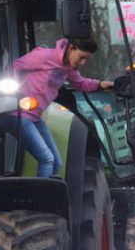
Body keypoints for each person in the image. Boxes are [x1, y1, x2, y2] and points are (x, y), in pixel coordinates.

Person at [11, 37, 112, 178]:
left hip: (35, 117)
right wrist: (14, 91)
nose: (82, 62)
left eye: (86, 59)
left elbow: (79, 84)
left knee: (56, 162)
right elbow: (15, 65)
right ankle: (41, 199)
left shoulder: (68, 68)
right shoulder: (44, 56)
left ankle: (50, 196)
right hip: (19, 114)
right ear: (71, 49)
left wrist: (100, 84)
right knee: (47, 159)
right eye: (81, 57)